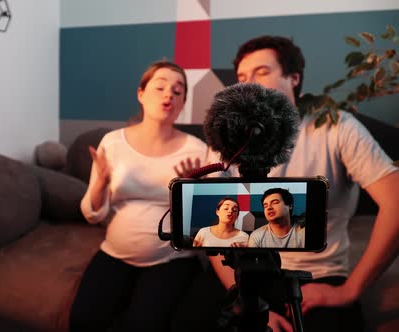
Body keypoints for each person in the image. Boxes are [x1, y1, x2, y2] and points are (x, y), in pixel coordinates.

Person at [179, 35, 399, 332]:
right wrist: (244, 298)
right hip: (242, 266)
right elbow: (214, 229)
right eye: (243, 77)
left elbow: (395, 201)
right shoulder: (227, 134)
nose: (249, 84)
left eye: (262, 72)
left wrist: (349, 290)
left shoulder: (336, 127)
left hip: (316, 275)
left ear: (294, 78)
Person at [68, 60, 221, 332]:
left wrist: (188, 195)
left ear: (183, 101)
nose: (168, 95)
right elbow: (93, 214)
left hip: (172, 260)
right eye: (160, 87)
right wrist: (101, 183)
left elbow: (209, 226)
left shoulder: (198, 151)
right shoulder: (112, 143)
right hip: (114, 254)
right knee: (83, 319)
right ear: (141, 93)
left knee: (144, 325)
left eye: (177, 91)